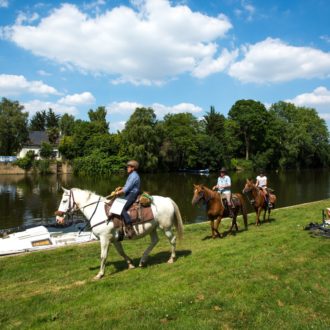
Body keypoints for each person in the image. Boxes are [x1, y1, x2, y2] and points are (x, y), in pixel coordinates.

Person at [115, 160, 141, 238]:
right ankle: (120, 228)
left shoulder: (133, 176)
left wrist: (117, 193)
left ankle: (129, 227)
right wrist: (121, 188)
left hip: (132, 194)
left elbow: (127, 189)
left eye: (128, 167)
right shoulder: (132, 175)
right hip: (129, 193)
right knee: (116, 204)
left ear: (133, 168)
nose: (127, 168)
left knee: (121, 208)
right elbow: (127, 186)